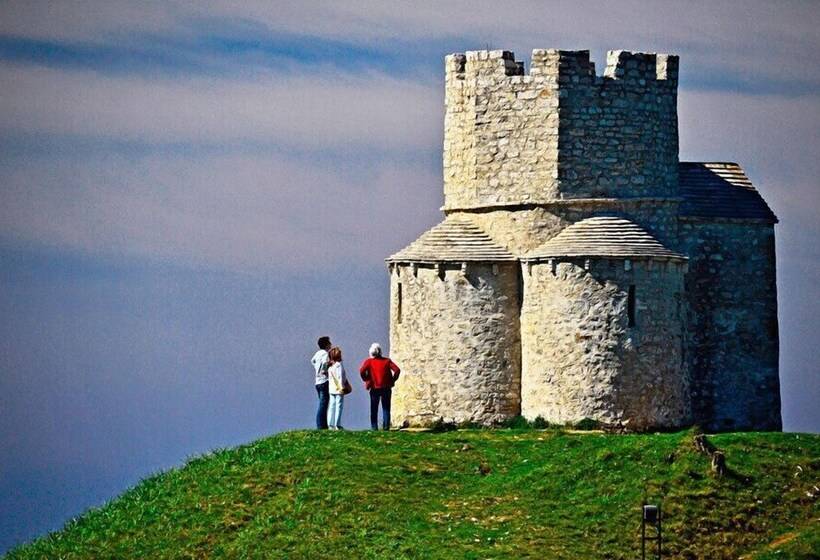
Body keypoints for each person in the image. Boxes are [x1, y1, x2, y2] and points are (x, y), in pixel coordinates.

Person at [359, 343, 400, 430]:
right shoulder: (387, 361)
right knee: (386, 408)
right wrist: (393, 380)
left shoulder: (369, 361)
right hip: (386, 387)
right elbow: (397, 370)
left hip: (374, 387)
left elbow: (361, 370)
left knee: (374, 408)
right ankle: (386, 427)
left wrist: (366, 379)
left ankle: (374, 427)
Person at [311, 336, 332, 430]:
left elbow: (312, 361)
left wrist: (317, 368)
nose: (331, 344)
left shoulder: (317, 353)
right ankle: (321, 426)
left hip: (317, 382)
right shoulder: (325, 354)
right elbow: (324, 363)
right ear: (326, 344)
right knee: (323, 404)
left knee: (322, 403)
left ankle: (323, 425)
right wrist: (325, 370)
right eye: (329, 343)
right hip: (324, 380)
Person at [326, 346, 348, 430]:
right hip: (338, 389)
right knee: (339, 406)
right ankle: (337, 424)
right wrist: (342, 387)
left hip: (331, 388)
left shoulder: (330, 366)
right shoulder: (339, 365)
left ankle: (330, 424)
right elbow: (340, 377)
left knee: (331, 406)